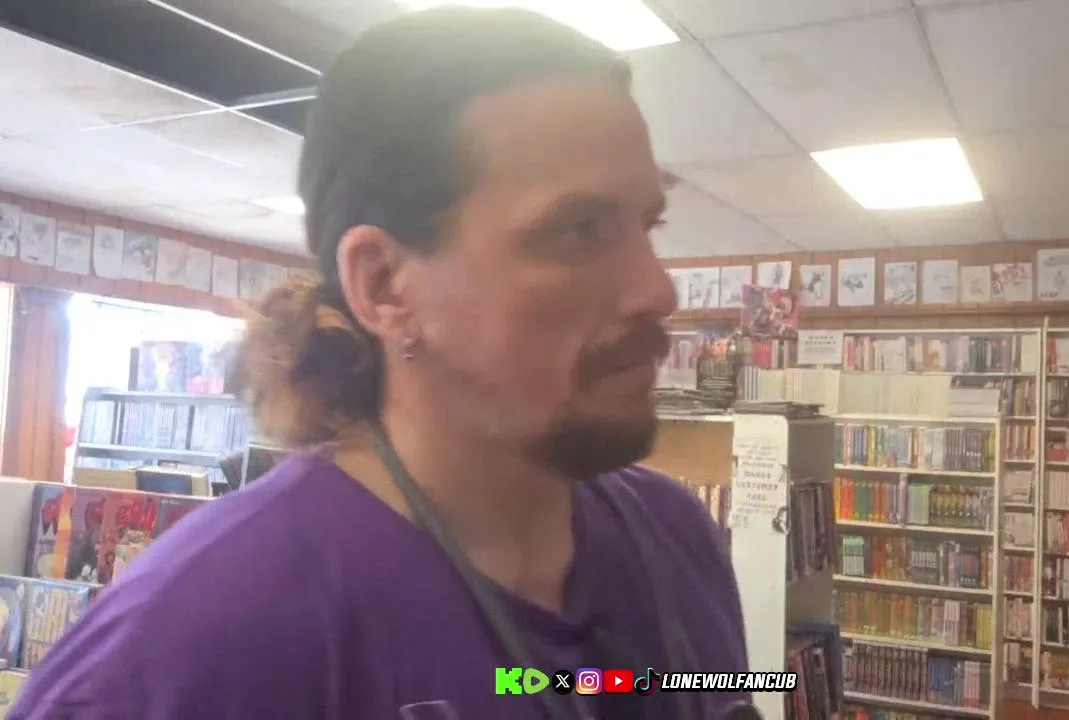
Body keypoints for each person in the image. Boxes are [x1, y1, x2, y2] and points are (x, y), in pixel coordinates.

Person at [9, 7, 750, 720]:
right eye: (581, 229)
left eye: (647, 224)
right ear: (384, 285)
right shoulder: (190, 648)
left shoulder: (673, 538)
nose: (658, 292)